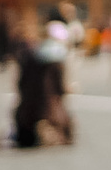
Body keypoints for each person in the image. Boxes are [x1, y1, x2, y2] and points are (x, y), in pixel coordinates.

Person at [12, 19, 77, 147]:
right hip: (50, 113)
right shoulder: (57, 62)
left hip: (25, 116)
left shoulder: (28, 57)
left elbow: (20, 85)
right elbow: (60, 89)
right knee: (67, 126)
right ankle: (49, 131)